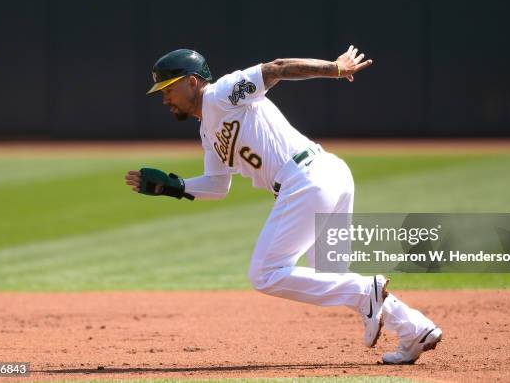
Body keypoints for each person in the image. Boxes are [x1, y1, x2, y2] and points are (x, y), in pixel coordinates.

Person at [124, 46, 442, 364]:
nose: (164, 97)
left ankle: (365, 292)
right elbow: (217, 185)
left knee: (265, 273)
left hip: (307, 179)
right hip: (327, 175)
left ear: (192, 82)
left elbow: (276, 69)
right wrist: (175, 187)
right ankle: (414, 329)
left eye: (169, 88)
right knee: (331, 276)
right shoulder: (207, 130)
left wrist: (335, 68)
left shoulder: (222, 93)